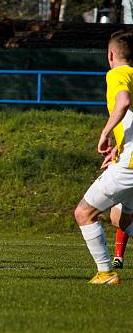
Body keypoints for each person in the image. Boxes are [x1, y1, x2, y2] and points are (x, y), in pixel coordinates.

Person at [73, 30, 133, 285]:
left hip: (130, 164)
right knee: (120, 218)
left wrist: (105, 133)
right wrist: (118, 148)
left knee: (84, 213)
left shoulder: (117, 74)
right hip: (127, 157)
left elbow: (123, 102)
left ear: (110, 55)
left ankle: (106, 273)